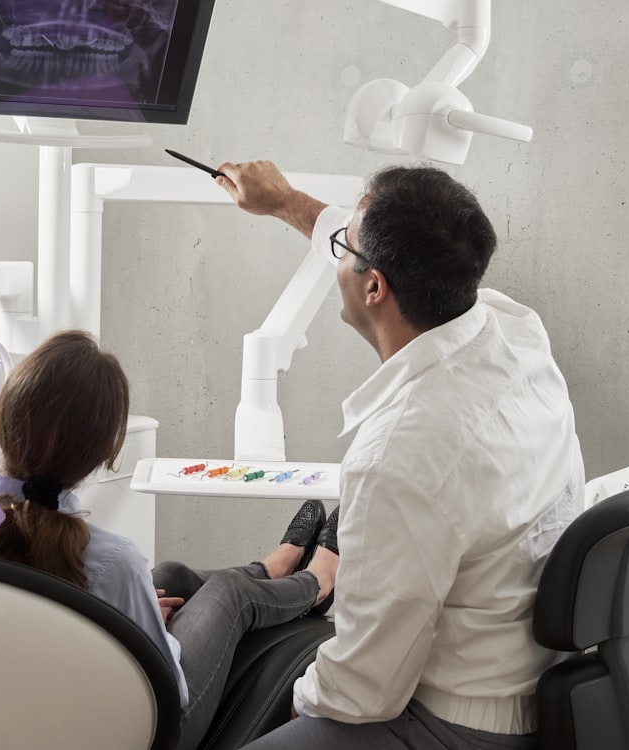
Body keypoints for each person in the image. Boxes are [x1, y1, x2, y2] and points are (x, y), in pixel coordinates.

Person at [212, 161, 585, 749]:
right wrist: (284, 202)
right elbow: (378, 241)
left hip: (450, 724)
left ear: (375, 287)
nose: (339, 245)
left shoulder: (400, 453)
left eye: (345, 245)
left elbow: (362, 692)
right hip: (522, 678)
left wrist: (292, 708)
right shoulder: (515, 330)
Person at [0, 329, 341, 750]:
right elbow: (169, 687)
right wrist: (152, 636)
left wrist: (136, 619)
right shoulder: (113, 561)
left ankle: (271, 569)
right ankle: (317, 582)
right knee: (228, 593)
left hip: (36, 717)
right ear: (103, 455)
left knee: (170, 575)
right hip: (147, 733)